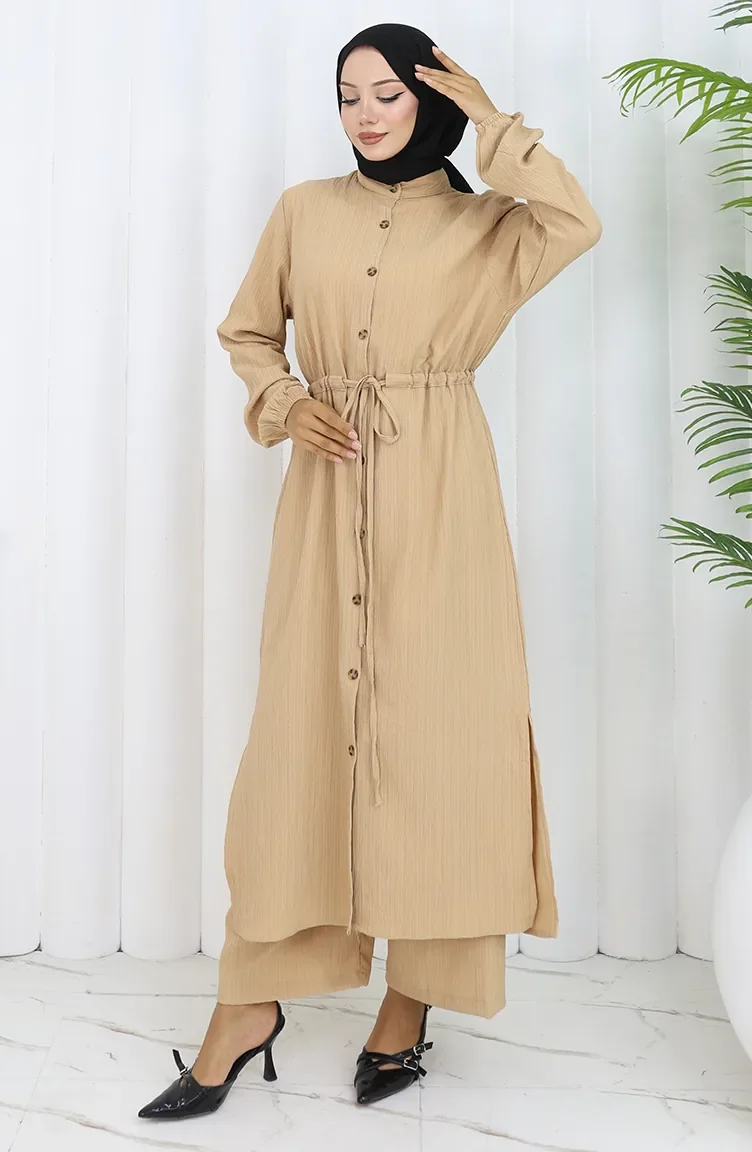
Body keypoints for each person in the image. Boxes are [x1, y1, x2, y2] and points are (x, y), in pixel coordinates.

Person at [138, 21, 602, 1122]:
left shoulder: (492, 225)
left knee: (442, 748)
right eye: (348, 94)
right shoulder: (304, 209)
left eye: (388, 91)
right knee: (299, 741)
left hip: (443, 499)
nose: (365, 113)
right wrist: (284, 402)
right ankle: (247, 1004)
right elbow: (249, 333)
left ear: (430, 96)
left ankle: (409, 1005)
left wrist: (489, 120)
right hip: (325, 491)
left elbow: (578, 220)